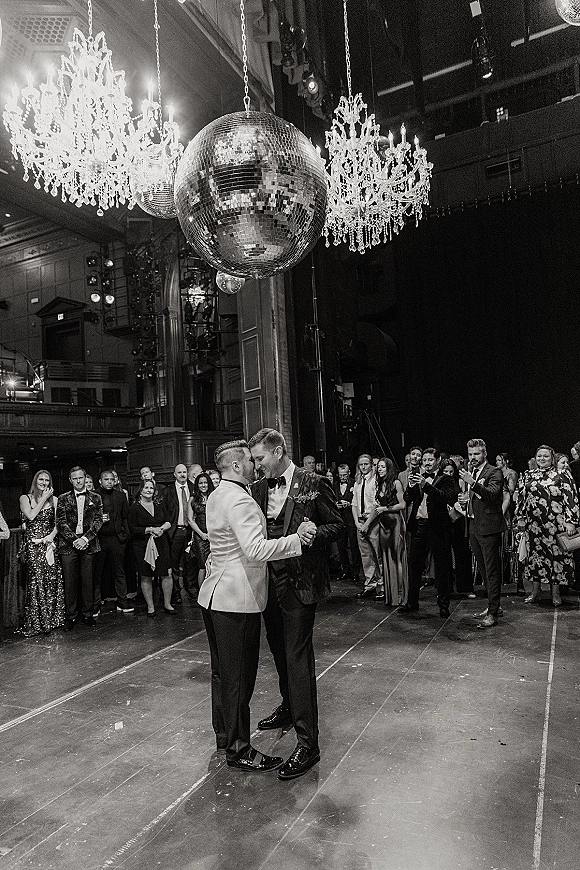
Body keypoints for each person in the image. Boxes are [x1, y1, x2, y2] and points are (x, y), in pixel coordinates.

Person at [199, 439, 314, 773]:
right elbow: (255, 550)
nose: (255, 465)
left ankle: (225, 737)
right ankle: (239, 750)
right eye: (249, 460)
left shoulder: (217, 494)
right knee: (238, 679)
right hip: (237, 598)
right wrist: (297, 540)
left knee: (222, 674)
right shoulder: (240, 500)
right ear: (236, 466)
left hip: (214, 594)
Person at [249, 427, 343, 780]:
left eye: (260, 459)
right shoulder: (258, 489)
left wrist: (316, 533)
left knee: (297, 657)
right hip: (267, 580)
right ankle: (289, 707)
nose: (258, 467)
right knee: (277, 650)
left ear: (278, 451)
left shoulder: (313, 481)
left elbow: (338, 526)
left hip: (301, 582)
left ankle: (308, 744)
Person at [515, 445, 579, 606]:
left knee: (556, 559)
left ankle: (555, 593)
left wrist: (571, 521)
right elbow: (521, 499)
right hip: (534, 526)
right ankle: (535, 591)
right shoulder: (527, 475)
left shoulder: (561, 474)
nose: (542, 459)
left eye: (546, 456)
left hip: (556, 525)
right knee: (535, 560)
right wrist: (520, 518)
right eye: (539, 456)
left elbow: (571, 497)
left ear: (552, 458)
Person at [404, 448, 458, 617]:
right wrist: (413, 486)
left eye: (429, 460)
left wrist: (425, 485)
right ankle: (411, 602)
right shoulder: (419, 477)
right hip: (419, 524)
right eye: (424, 460)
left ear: (437, 461)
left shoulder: (446, 479)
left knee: (441, 566)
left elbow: (445, 497)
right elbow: (407, 498)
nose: (426, 463)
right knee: (414, 565)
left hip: (437, 526)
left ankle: (443, 605)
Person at [457, 439, 504, 629]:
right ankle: (494, 605)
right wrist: (465, 499)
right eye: (470, 454)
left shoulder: (494, 471)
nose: (473, 457)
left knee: (491, 570)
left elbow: (492, 495)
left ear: (484, 453)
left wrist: (472, 484)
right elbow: (478, 498)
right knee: (484, 569)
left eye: (476, 454)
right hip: (474, 525)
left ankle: (493, 612)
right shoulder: (474, 473)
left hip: (488, 527)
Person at [56, 466, 103, 631]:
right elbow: (60, 523)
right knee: (69, 582)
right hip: (69, 546)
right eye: (75, 478)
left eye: (81, 478)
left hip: (88, 544)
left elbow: (98, 521)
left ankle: (88, 614)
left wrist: (84, 539)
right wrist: (75, 540)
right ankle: (70, 616)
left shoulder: (96, 498)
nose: (78, 481)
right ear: (70, 480)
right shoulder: (62, 498)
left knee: (88, 581)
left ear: (85, 478)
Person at [19, 470, 65, 636]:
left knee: (51, 580)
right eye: (41, 479)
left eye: (47, 480)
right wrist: (44, 499)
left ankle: (53, 620)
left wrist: (51, 538)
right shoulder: (25, 498)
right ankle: (38, 622)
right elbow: (31, 516)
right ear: (35, 480)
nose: (44, 482)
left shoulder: (56, 500)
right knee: (36, 581)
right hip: (33, 546)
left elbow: (59, 523)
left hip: (49, 545)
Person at [128, 480, 173, 616]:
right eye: (146, 488)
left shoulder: (159, 505)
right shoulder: (134, 508)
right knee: (146, 576)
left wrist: (161, 529)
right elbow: (132, 528)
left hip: (161, 542)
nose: (149, 490)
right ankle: (151, 607)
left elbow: (169, 521)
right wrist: (150, 529)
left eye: (151, 488)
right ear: (140, 490)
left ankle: (167, 604)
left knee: (166, 574)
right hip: (142, 544)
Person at [94, 470, 132, 616]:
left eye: (111, 479)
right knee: (97, 574)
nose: (109, 482)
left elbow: (125, 517)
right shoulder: (94, 496)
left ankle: (122, 602)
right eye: (106, 479)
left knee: (119, 572)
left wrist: (125, 534)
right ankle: (96, 605)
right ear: (100, 481)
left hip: (117, 539)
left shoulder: (120, 495)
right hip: (99, 539)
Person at [371, 458, 407, 606]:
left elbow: (402, 504)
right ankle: (390, 594)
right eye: (378, 467)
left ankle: (398, 593)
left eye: (382, 467)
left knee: (395, 557)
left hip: (394, 522)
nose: (379, 469)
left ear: (389, 468)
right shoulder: (380, 484)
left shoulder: (396, 483)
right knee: (386, 559)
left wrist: (385, 508)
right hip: (383, 523)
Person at [162, 463, 195, 604]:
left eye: (184, 472)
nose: (182, 474)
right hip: (175, 531)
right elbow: (164, 511)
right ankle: (176, 592)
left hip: (191, 530)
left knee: (190, 562)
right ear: (174, 475)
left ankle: (191, 589)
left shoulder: (194, 488)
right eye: (179, 472)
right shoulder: (168, 491)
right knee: (174, 564)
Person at [352, 454, 383, 599]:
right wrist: (357, 523)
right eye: (361, 464)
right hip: (360, 521)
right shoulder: (358, 481)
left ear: (371, 465)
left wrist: (367, 524)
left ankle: (382, 586)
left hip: (373, 521)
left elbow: (377, 504)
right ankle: (370, 584)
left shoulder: (376, 480)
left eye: (366, 464)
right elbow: (354, 504)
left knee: (378, 554)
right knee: (366, 555)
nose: (363, 467)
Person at [332, 463, 362, 581]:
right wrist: (337, 505)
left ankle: (355, 572)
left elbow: (359, 501)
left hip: (351, 517)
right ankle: (345, 570)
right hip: (340, 518)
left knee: (354, 545)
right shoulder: (334, 485)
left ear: (349, 473)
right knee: (341, 545)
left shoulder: (355, 483)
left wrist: (349, 504)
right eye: (340, 475)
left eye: (345, 475)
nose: (343, 478)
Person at [187, 471, 215, 592]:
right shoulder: (193, 499)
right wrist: (202, 534)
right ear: (197, 485)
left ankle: (213, 592)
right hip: (200, 536)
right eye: (200, 483)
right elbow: (190, 520)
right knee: (203, 566)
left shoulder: (215, 496)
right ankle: (202, 593)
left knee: (215, 565)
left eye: (205, 483)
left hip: (215, 535)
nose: (203, 485)